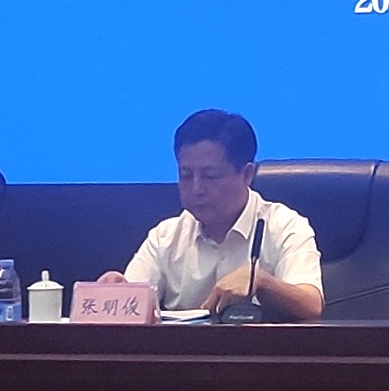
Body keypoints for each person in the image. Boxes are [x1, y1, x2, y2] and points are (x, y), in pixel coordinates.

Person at [104, 109, 324, 321]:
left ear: (247, 174)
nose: (196, 189)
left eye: (209, 176)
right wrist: (115, 294)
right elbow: (131, 305)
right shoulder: (166, 236)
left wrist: (261, 281)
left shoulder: (285, 226)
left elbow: (311, 305)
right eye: (186, 175)